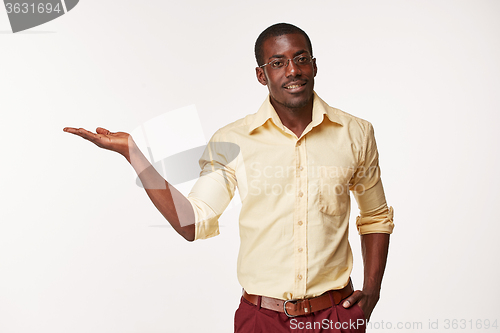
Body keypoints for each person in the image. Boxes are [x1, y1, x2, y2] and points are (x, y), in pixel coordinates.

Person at [64, 23, 394, 333]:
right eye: (277, 63)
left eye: (301, 59)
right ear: (261, 75)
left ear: (314, 66)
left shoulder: (356, 133)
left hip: (335, 316)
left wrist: (372, 294)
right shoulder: (232, 140)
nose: (292, 71)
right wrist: (134, 155)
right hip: (261, 319)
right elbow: (192, 223)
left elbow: (375, 217)